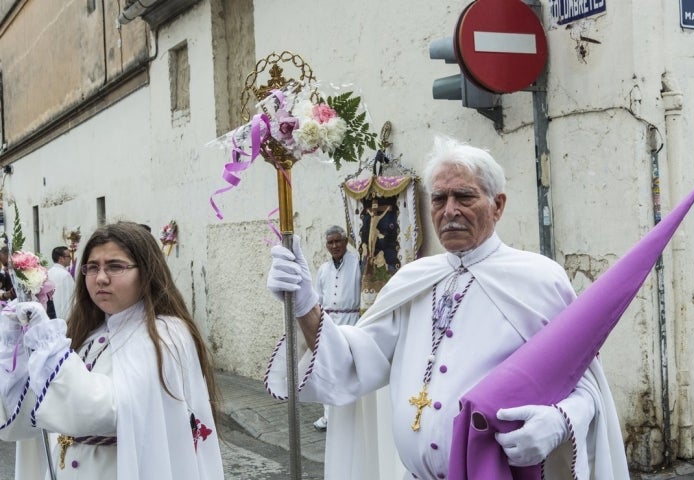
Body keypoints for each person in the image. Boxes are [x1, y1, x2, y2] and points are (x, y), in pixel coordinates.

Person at [265, 136, 629, 479]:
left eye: (464, 197)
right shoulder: (414, 279)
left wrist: (560, 420)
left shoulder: (539, 280)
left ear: (497, 205)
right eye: (439, 199)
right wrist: (305, 302)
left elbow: (586, 386)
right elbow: (350, 361)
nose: (449, 210)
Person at [0, 221, 223, 479]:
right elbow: (34, 413)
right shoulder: (86, 333)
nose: (101, 278)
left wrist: (47, 347)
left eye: (116, 266)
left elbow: (107, 410)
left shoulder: (166, 335)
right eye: (92, 267)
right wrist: (17, 355)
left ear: (147, 272)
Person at [312, 225, 361, 431]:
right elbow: (318, 299)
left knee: (349, 371)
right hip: (329, 324)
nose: (334, 246)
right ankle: (328, 416)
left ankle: (350, 416)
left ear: (345, 241)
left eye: (337, 241)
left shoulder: (358, 264)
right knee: (328, 370)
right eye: (330, 243)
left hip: (352, 321)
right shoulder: (324, 269)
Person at [47, 246, 75, 320]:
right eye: (68, 256)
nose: (71, 259)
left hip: (51, 316)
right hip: (65, 317)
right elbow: (71, 299)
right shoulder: (65, 275)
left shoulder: (48, 273)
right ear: (61, 259)